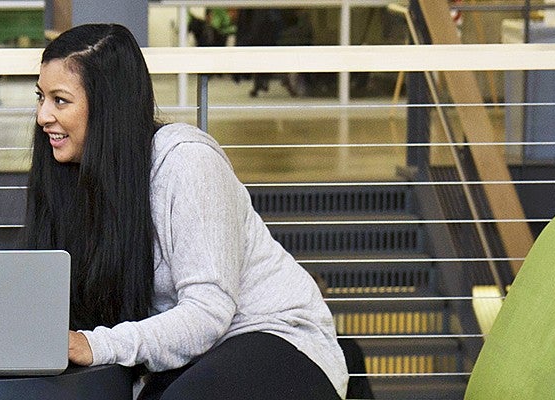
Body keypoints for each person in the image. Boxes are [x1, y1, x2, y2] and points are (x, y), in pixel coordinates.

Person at [24, 23, 348, 399]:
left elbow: (208, 314)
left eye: (60, 100)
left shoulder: (186, 161)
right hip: (192, 362)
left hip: (275, 337)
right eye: (41, 97)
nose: (42, 116)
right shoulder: (72, 178)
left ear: (108, 106)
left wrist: (97, 345)